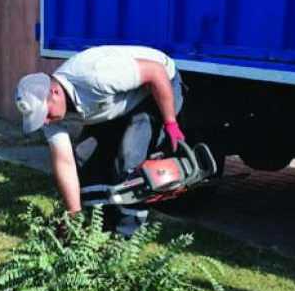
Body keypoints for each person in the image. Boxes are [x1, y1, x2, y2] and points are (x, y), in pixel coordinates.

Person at [15, 45, 186, 236]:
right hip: (118, 103)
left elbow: (155, 71)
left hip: (156, 88)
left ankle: (126, 236)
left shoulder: (95, 75)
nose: (46, 121)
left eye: (45, 114)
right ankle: (98, 228)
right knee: (84, 158)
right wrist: (73, 213)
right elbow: (65, 162)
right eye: (40, 118)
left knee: (129, 161)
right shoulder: (50, 117)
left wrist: (170, 122)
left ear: (55, 92)